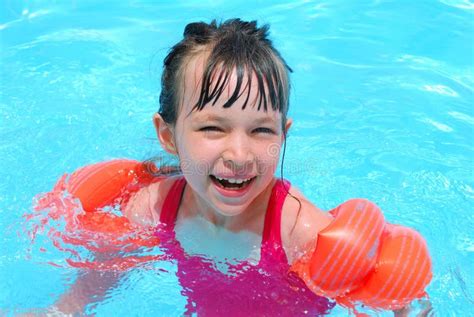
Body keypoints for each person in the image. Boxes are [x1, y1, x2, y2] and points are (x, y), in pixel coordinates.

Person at [28, 19, 431, 316]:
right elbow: (102, 277)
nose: (239, 155)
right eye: (212, 128)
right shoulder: (151, 211)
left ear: (283, 134)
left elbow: (382, 290)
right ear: (168, 136)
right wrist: (65, 308)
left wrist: (403, 302)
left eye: (260, 130)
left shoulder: (301, 233)